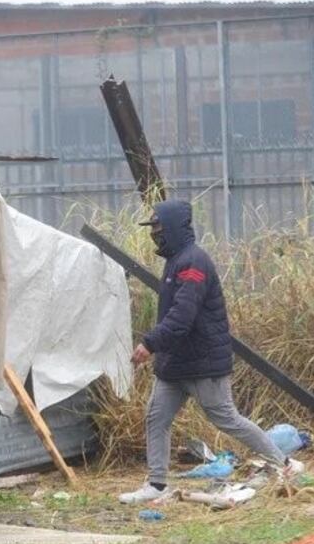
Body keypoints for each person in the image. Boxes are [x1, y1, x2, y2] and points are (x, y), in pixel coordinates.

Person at [119, 199, 302, 505]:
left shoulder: (193, 263)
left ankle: (284, 465)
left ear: (175, 227)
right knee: (156, 418)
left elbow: (182, 316)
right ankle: (156, 485)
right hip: (175, 364)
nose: (154, 234)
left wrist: (150, 344)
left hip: (203, 363)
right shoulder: (176, 261)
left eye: (158, 227)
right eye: (153, 229)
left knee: (227, 419)